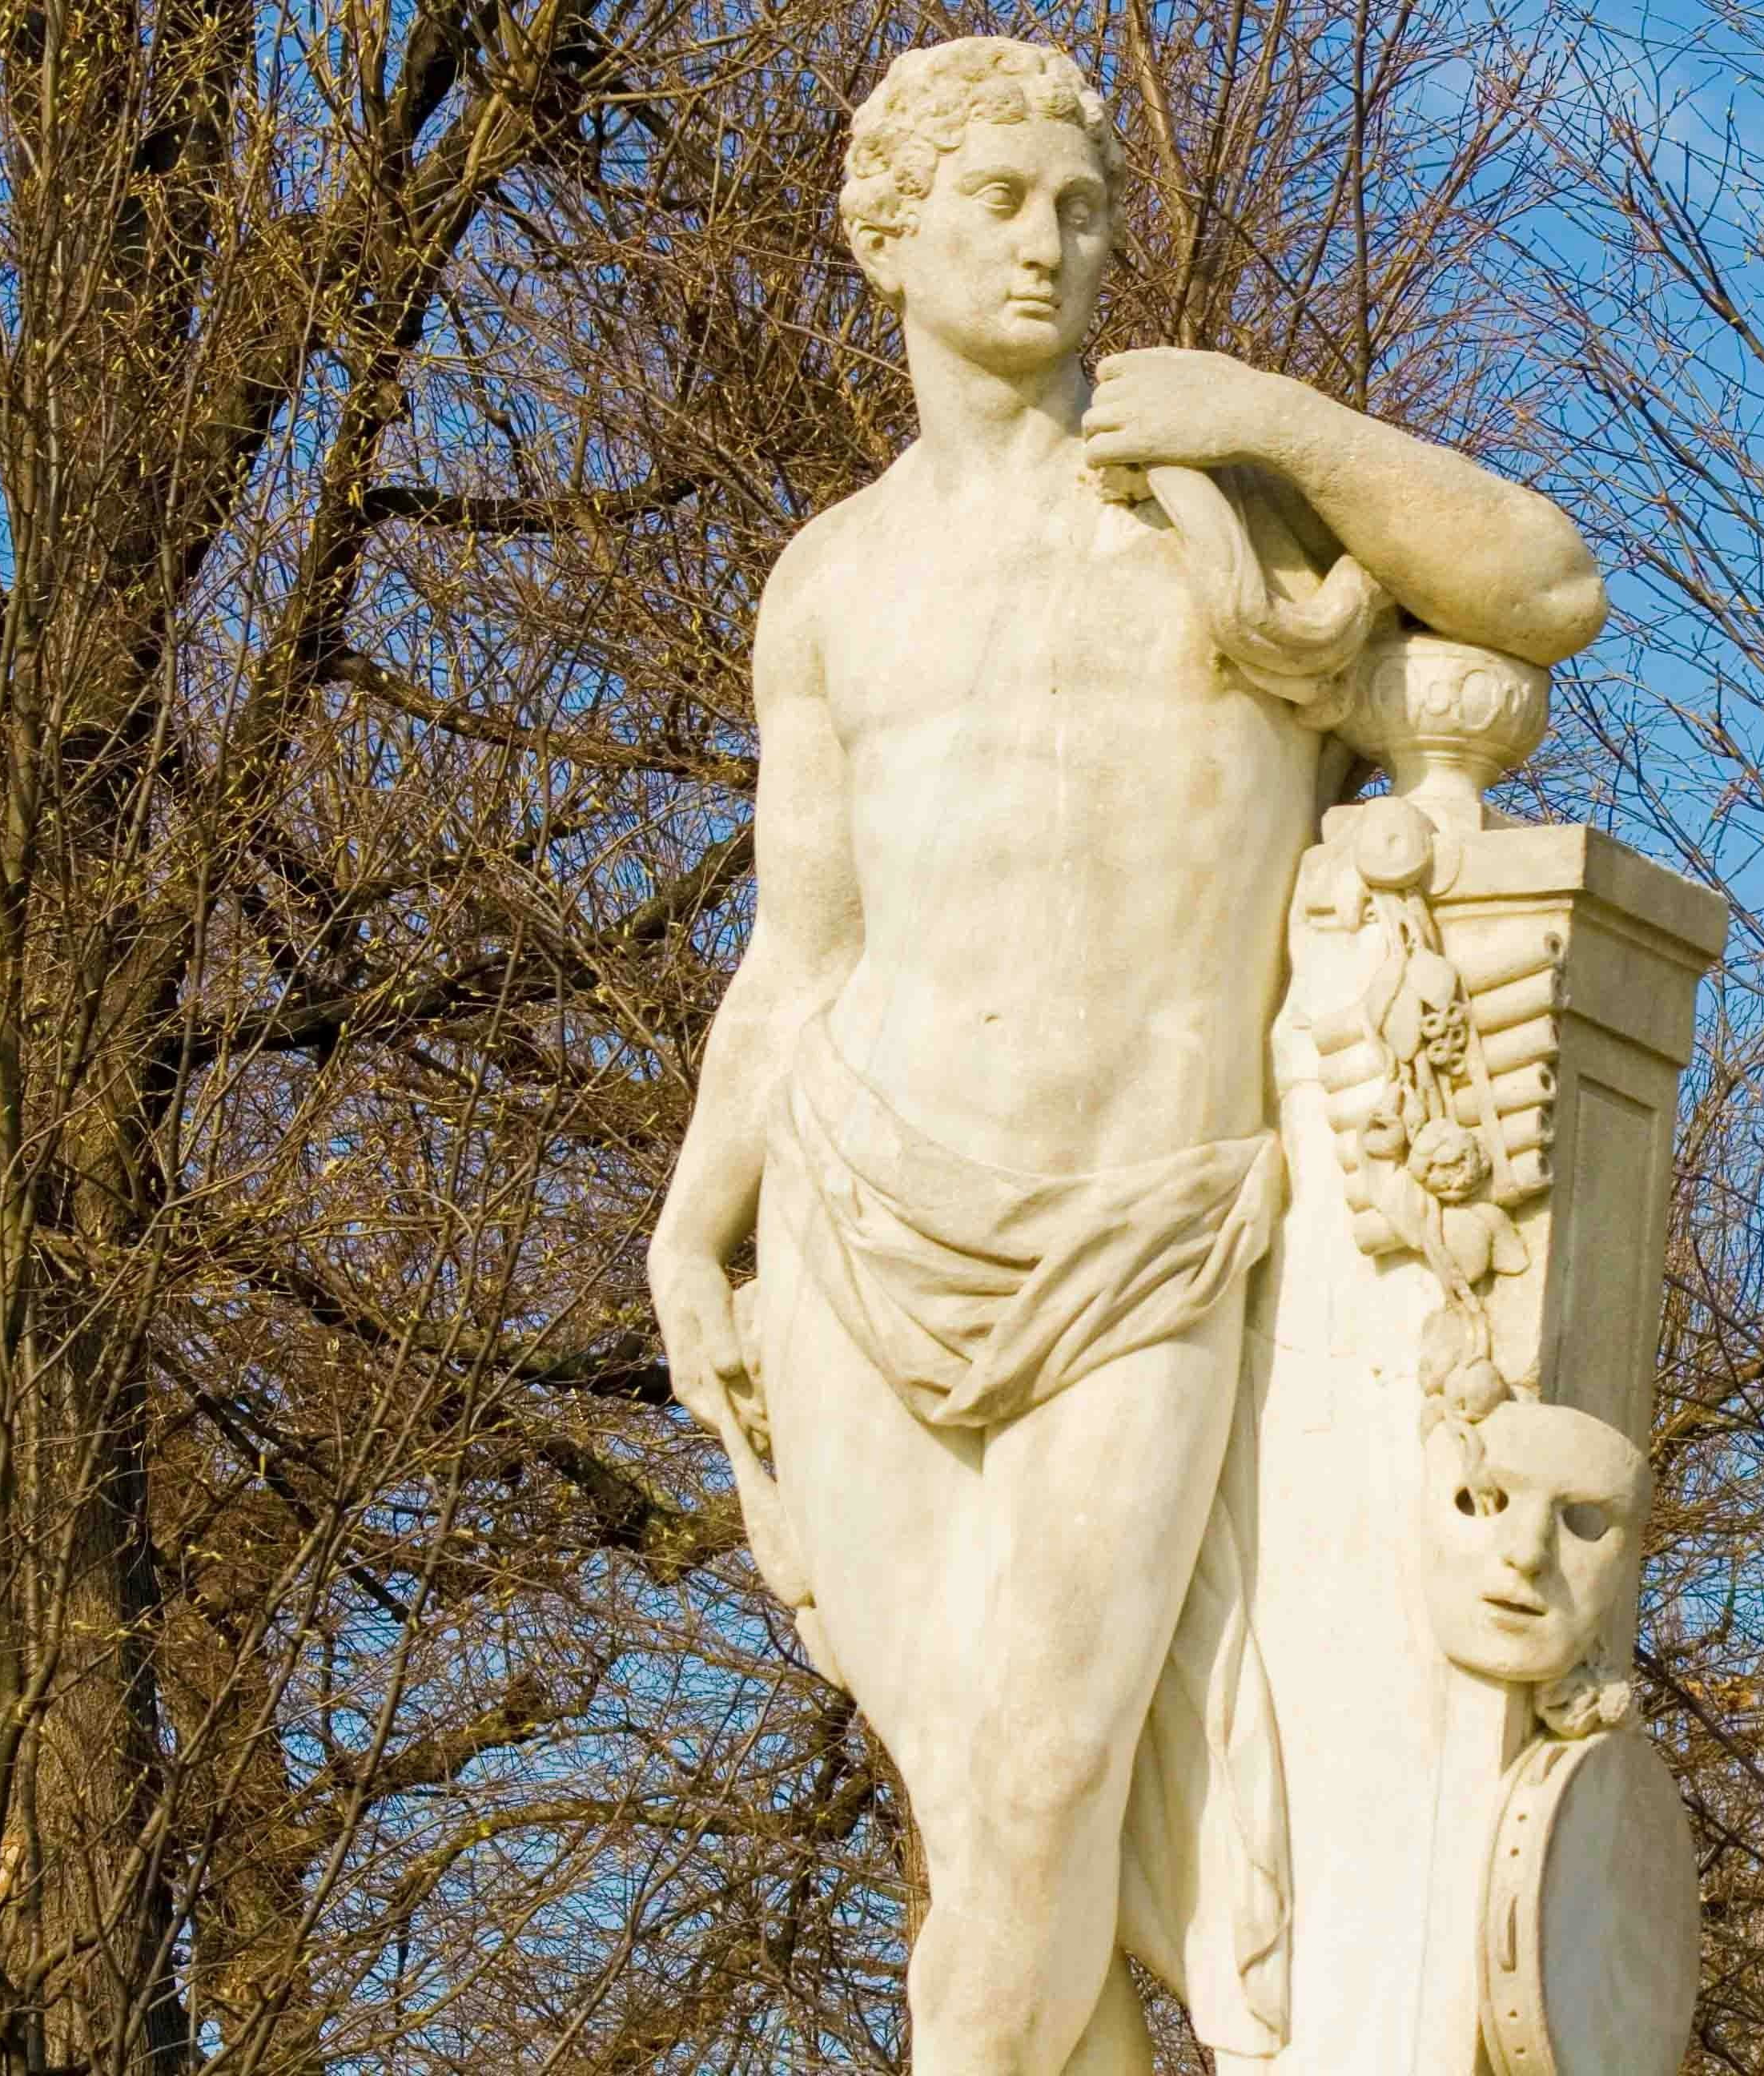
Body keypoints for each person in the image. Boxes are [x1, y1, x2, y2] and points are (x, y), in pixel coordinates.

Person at [644, 35, 1603, 2076]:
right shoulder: (829, 582)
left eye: (1080, 210)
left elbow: (1548, 587)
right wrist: (687, 1224)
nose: (1048, 245)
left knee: (1039, 1783)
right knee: (981, 1819)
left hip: (1147, 1237)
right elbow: (799, 952)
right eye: (998, 202)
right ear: (891, 236)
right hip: (856, 1224)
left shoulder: (1217, 510)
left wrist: (1276, 415)